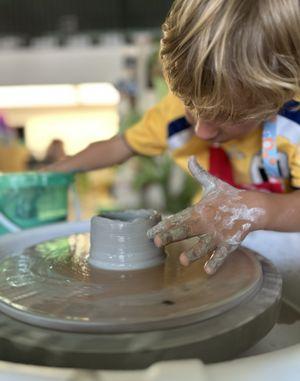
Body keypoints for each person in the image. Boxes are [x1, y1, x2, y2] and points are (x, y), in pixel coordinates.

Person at [47, 0, 300, 274]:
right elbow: (120, 145)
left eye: (228, 116)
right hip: (226, 242)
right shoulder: (177, 112)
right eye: (191, 107)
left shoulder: (293, 123)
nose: (202, 131)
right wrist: (55, 171)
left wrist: (257, 209)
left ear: (279, 95)